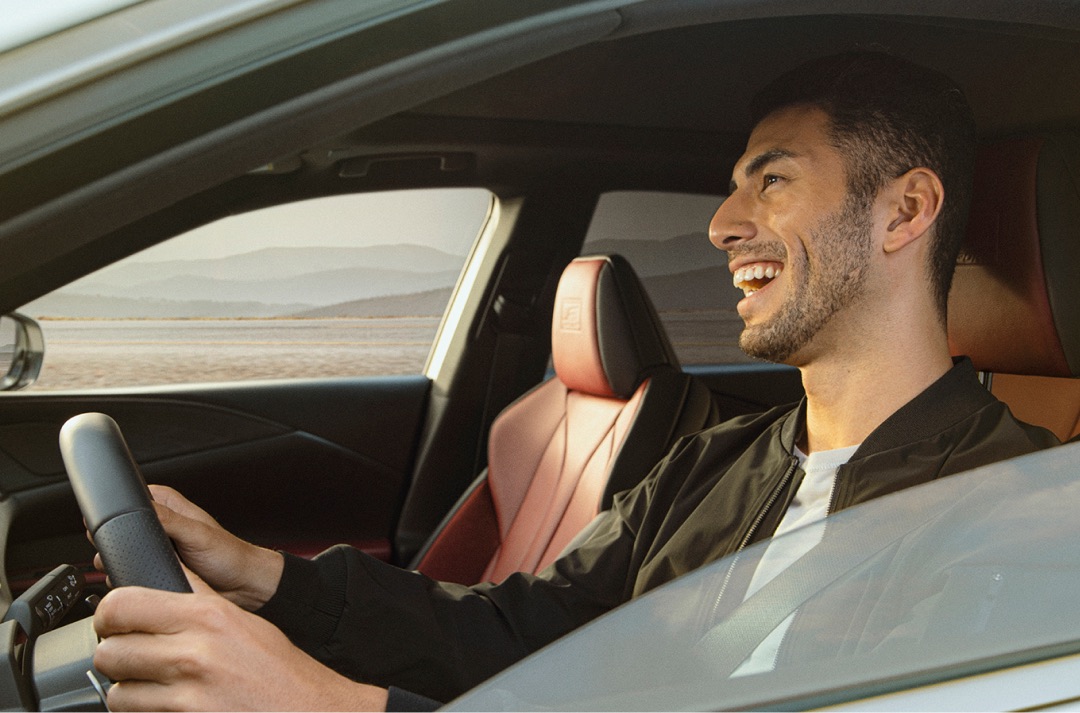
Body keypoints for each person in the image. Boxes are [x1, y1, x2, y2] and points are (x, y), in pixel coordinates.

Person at [90, 51, 1059, 711]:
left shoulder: (1022, 512)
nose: (722, 223)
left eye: (771, 179)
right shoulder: (711, 462)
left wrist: (333, 702)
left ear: (905, 211)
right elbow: (529, 626)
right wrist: (264, 577)